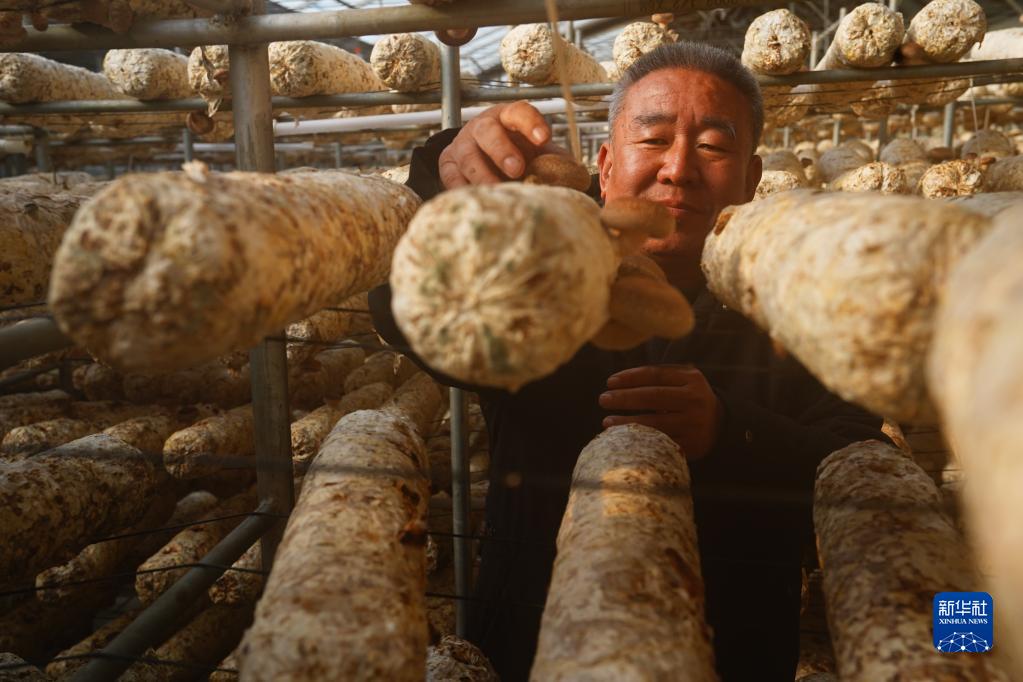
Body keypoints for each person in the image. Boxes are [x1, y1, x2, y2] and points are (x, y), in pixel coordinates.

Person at [370, 41, 888, 681]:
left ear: (751, 179)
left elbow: (860, 464)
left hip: (730, 651)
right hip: (534, 641)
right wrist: (448, 165)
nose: (678, 169)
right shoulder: (535, 276)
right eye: (654, 139)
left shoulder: (807, 306)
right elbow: (403, 312)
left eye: (713, 146)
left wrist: (733, 432)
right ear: (606, 166)